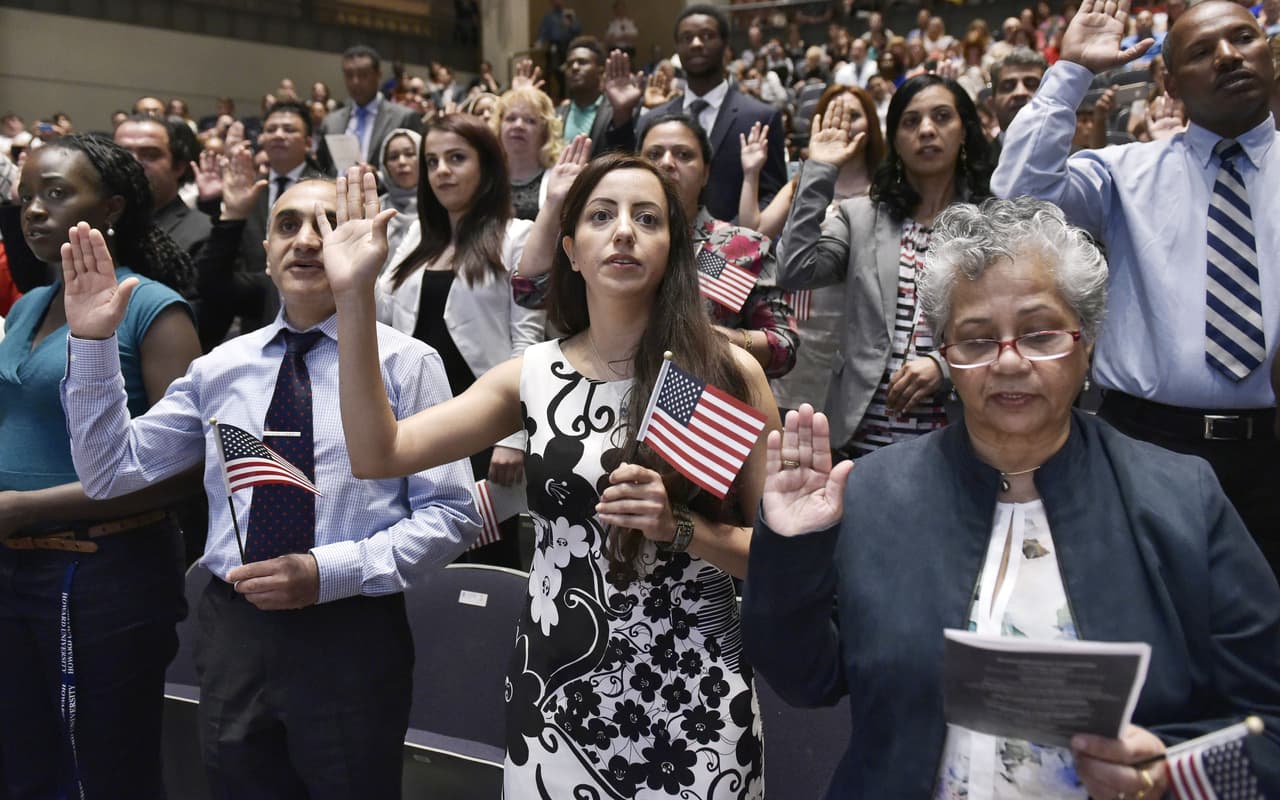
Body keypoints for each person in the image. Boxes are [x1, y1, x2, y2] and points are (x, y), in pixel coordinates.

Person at [743, 197, 1280, 799]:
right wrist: (790, 547)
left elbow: (1269, 722)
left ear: (1087, 341)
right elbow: (804, 680)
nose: (1008, 361)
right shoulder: (875, 491)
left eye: (1040, 333)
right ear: (945, 357)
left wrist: (1167, 768)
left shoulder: (1181, 497)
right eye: (975, 340)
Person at [329, 153, 775, 798]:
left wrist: (681, 529)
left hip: (697, 694)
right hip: (559, 695)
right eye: (601, 215)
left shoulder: (724, 374)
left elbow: (781, 560)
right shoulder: (532, 374)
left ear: (672, 246)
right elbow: (379, 452)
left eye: (646, 217)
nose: (623, 230)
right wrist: (352, 298)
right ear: (569, 249)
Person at [60, 171, 480, 797]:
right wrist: (93, 341)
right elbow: (108, 471)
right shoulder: (220, 367)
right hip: (236, 630)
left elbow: (451, 515)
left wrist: (325, 571)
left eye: (329, 225)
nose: (307, 241)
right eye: (288, 225)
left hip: (350, 628)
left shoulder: (407, 363)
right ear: (266, 250)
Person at [993, 0, 1280, 570]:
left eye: (1243, 39)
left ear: (1269, 53)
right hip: (1147, 443)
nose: (1227, 56)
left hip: (1272, 448)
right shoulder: (1123, 173)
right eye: (1201, 51)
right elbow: (1018, 199)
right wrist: (1070, 71)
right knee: (1151, 627)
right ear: (1168, 84)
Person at [1, 134, 201, 798]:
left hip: (102, 571)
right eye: (27, 193)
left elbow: (180, 470)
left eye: (57, 193)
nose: (34, 209)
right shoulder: (29, 304)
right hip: (13, 568)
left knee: (104, 769)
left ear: (111, 207)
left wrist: (29, 506)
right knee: (24, 764)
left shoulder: (152, 307)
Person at [777, 74, 994, 458]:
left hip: (957, 433)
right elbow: (795, 270)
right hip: (862, 438)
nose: (926, 130)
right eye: (910, 122)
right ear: (894, 139)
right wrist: (819, 170)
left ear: (964, 131)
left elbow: (1008, 322)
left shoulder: (991, 221)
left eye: (941, 117)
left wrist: (945, 366)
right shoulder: (860, 216)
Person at [377, 114, 545, 568]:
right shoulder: (414, 236)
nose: (441, 172)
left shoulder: (517, 236)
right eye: (432, 161)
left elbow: (528, 342)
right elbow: (384, 326)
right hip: (415, 424)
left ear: (487, 166)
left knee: (483, 565)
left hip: (485, 428)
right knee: (416, 558)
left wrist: (514, 434)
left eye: (456, 158)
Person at [749, 86, 886, 415]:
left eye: (853, 115)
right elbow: (757, 231)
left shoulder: (885, 190)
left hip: (850, 324)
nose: (843, 125)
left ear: (871, 124)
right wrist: (751, 174)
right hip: (798, 320)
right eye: (834, 115)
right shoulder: (803, 179)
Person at [640, 4, 788, 223]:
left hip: (736, 248)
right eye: (687, 38)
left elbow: (771, 193)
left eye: (707, 36)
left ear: (725, 45)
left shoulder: (761, 117)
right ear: (677, 47)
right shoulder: (651, 120)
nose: (697, 44)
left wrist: (728, 239)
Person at [318, 45, 424, 172]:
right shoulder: (331, 122)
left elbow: (418, 168)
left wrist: (378, 178)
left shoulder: (404, 118)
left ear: (378, 75)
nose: (355, 81)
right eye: (349, 75)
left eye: (363, 75)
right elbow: (322, 169)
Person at [558, 37, 643, 159]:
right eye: (570, 64)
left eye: (582, 62)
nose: (575, 67)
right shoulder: (557, 113)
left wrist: (622, 111)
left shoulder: (617, 111)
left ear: (600, 70)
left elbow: (625, 153)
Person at [492, 86, 565, 221]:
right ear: (499, 126)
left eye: (530, 120)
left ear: (545, 132)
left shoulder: (559, 179)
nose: (518, 125)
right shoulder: (485, 176)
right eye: (511, 118)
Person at [987, 47, 1049, 162]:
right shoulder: (972, 167)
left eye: (1031, 84)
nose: (1020, 92)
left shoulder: (1075, 162)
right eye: (1008, 87)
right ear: (992, 105)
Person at [377, 127, 421, 271]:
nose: (402, 162)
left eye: (410, 154)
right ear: (385, 166)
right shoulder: (375, 209)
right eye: (393, 157)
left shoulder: (441, 208)